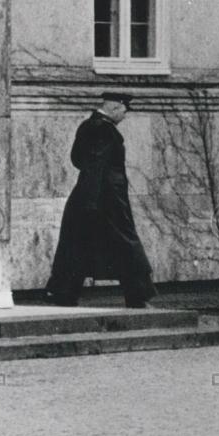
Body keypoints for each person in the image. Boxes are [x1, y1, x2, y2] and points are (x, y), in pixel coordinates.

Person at [44, 92, 158, 309]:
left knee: (77, 245)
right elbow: (97, 166)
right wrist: (95, 201)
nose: (124, 116)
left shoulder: (87, 126)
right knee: (126, 245)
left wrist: (87, 200)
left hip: (88, 197)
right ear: (115, 107)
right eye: (124, 111)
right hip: (107, 201)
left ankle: (63, 293)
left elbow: (77, 160)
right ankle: (138, 296)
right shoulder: (105, 130)